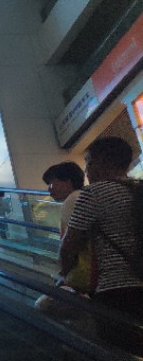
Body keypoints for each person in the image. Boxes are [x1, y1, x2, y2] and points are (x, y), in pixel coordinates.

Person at [60, 137, 143, 346]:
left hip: (115, 289)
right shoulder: (139, 191)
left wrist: (67, 276)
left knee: (120, 349)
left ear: (105, 162)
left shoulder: (94, 193)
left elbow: (69, 245)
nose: (87, 170)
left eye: (89, 162)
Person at [35, 162, 89, 315]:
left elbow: (71, 242)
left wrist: (64, 273)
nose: (49, 189)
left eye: (51, 183)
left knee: (43, 306)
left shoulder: (73, 200)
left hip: (83, 273)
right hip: (91, 273)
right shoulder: (82, 197)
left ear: (68, 182)